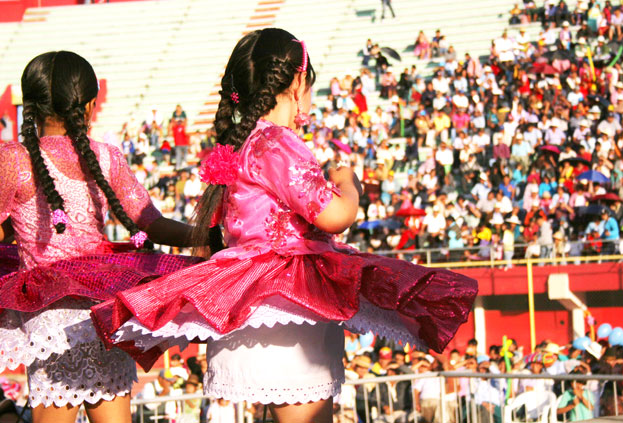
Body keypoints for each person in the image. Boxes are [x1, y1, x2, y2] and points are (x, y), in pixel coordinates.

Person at [91, 29, 477, 423]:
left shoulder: (241, 144)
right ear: (296, 82)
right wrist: (349, 184)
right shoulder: (277, 142)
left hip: (250, 296)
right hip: (290, 300)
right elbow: (333, 215)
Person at [0, 51, 206, 423]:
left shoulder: (13, 160)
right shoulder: (106, 157)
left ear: (29, 105)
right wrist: (206, 234)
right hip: (105, 310)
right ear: (91, 105)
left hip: (51, 320)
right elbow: (151, 223)